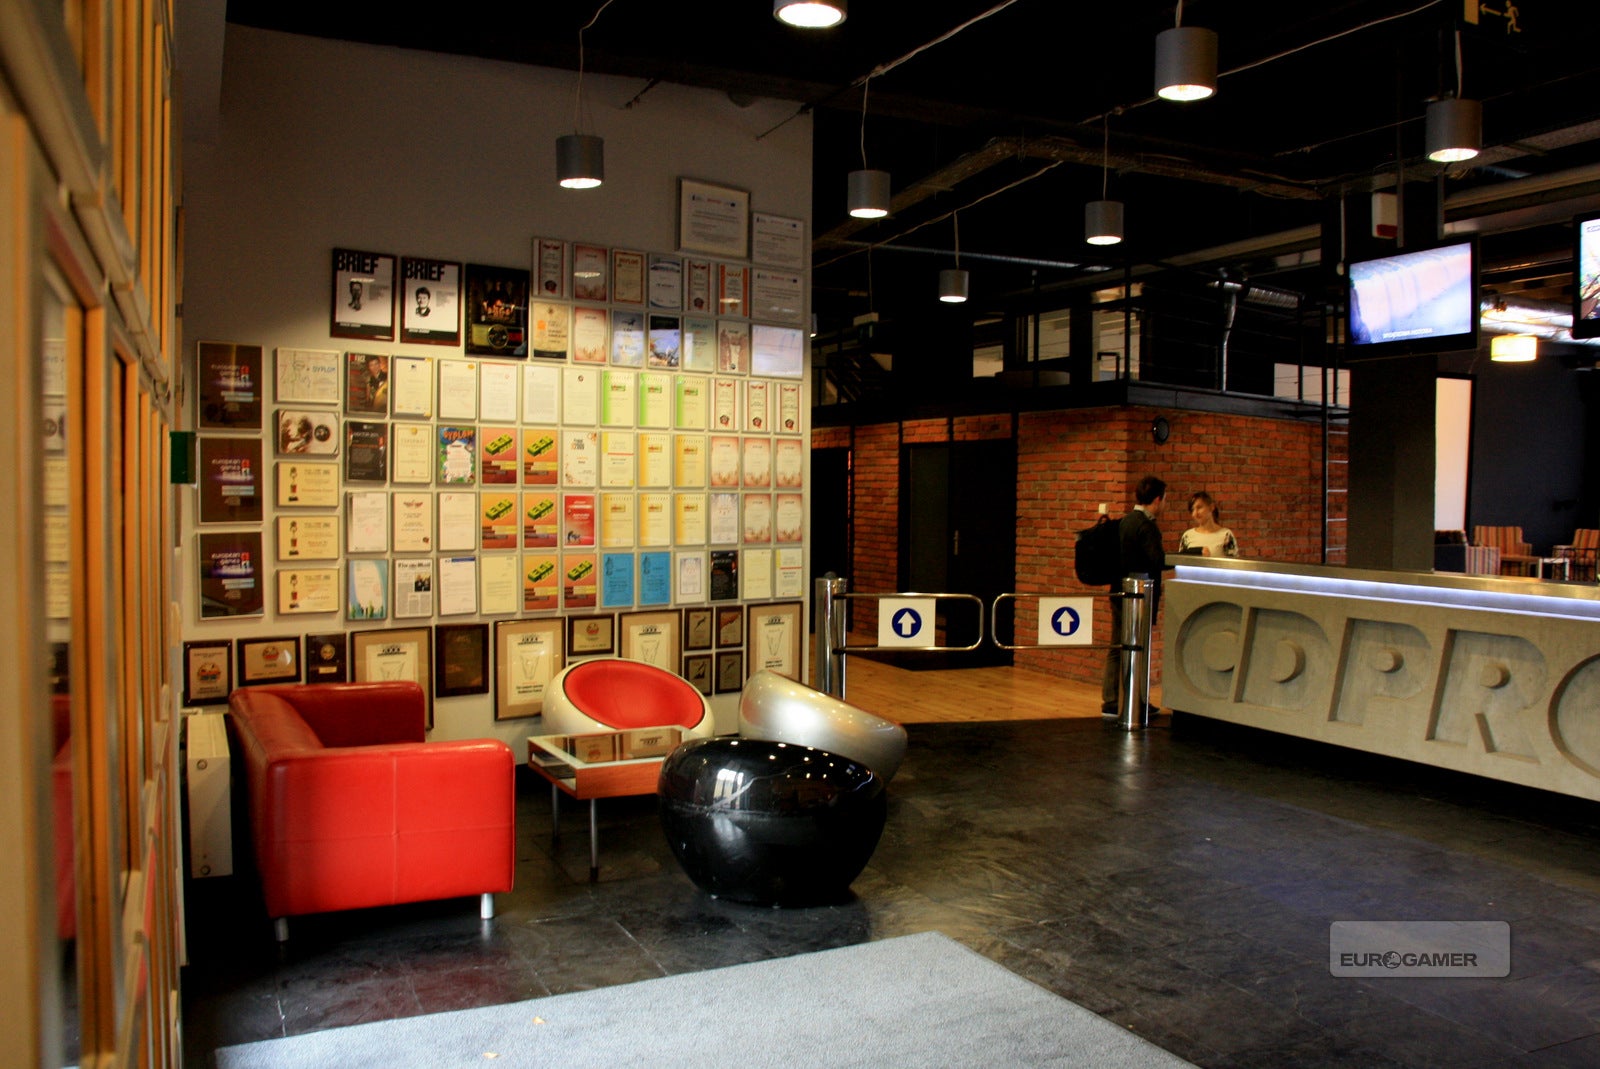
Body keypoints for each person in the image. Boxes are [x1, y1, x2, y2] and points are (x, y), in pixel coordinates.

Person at [1101, 475, 1170, 717]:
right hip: (1139, 596)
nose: (1165, 505)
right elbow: (1158, 560)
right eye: (1165, 500)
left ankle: (1111, 700)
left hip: (1119, 590)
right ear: (1157, 499)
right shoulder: (1147, 526)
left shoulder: (1125, 521)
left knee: (1117, 645)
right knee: (1138, 648)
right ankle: (1138, 700)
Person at [1178, 491, 1239, 558]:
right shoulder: (1187, 536)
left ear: (1211, 507)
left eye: (1199, 507)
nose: (1195, 513)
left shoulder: (1226, 535)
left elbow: (1232, 563)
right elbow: (1181, 560)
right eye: (1192, 510)